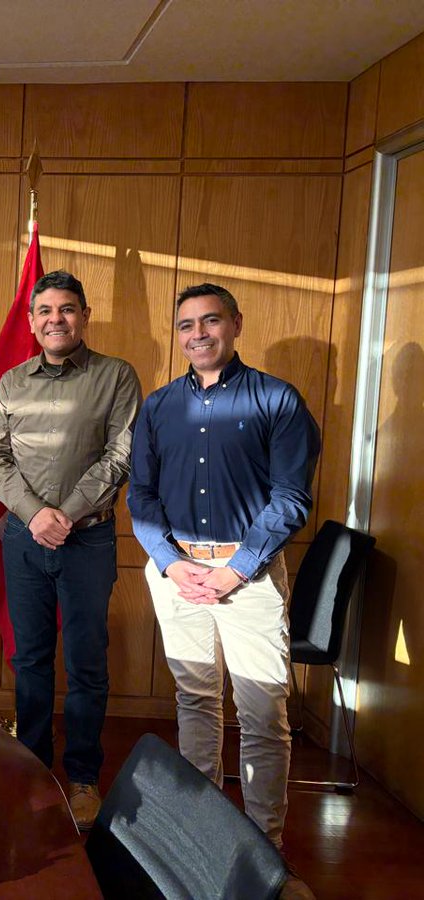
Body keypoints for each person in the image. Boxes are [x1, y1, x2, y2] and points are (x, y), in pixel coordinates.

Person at [128, 284, 320, 866]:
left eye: (210, 321)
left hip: (251, 577)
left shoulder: (278, 400)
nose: (199, 334)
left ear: (235, 324)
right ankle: (201, 839)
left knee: (263, 713)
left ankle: (265, 849)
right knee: (195, 700)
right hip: (178, 574)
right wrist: (171, 561)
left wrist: (236, 570)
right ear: (178, 335)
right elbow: (140, 493)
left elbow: (291, 499)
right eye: (186, 325)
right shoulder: (159, 407)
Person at [0, 269, 141, 829]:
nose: (56, 319)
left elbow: (120, 456)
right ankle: (31, 767)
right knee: (29, 659)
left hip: (87, 539)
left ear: (84, 315)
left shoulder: (116, 376)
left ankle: (82, 778)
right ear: (31, 321)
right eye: (44, 310)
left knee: (86, 663)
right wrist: (35, 516)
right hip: (24, 541)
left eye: (67, 309)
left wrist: (64, 515)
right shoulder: (10, 383)